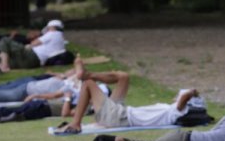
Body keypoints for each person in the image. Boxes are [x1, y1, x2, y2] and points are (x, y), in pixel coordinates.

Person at [54, 56, 203, 135]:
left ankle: (76, 123)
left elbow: (184, 99)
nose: (176, 96)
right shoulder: (173, 111)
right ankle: (88, 74)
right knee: (124, 77)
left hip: (119, 117)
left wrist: (191, 92)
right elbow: (182, 100)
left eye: (178, 95)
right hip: (121, 112)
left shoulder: (177, 112)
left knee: (87, 84)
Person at [0, 19, 66, 73]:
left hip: (32, 55)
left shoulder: (53, 33)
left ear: (52, 27)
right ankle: (3, 65)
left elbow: (34, 43)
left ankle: (4, 66)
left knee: (5, 40)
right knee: (2, 58)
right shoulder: (61, 40)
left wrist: (28, 46)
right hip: (34, 63)